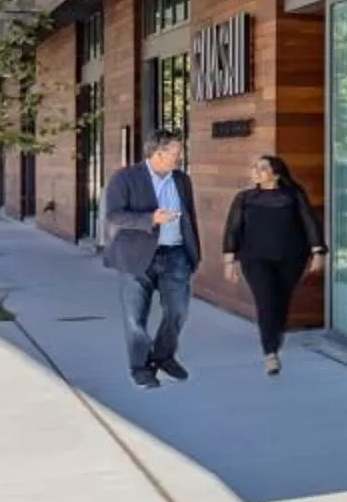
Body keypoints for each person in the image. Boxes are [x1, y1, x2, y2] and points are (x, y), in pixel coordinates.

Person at [102, 131, 203, 387]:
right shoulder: (125, 178)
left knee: (178, 311)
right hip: (136, 257)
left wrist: (194, 253)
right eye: (176, 152)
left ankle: (164, 356)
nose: (180, 157)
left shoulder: (182, 180)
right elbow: (113, 215)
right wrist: (150, 219)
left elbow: (189, 217)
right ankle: (140, 368)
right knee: (136, 318)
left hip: (176, 254)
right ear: (158, 153)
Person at [223, 155, 326, 376]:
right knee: (266, 300)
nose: (256, 171)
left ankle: (275, 334)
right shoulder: (244, 198)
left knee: (281, 301)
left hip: (291, 258)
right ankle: (270, 352)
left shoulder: (293, 196)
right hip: (255, 258)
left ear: (276, 173)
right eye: (255, 167)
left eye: (263, 167)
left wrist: (318, 251)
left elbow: (309, 221)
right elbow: (233, 229)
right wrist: (229, 261)